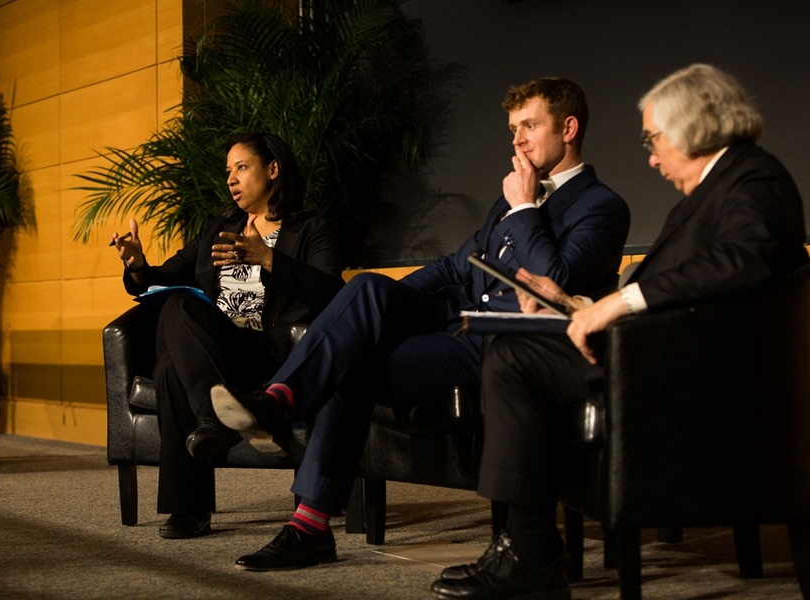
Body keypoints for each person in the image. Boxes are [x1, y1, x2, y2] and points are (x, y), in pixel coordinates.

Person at [211, 78, 631, 570]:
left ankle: (303, 502)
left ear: (569, 127)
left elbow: (553, 282)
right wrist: (375, 307)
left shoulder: (600, 207)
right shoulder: (515, 194)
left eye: (530, 126)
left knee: (357, 361)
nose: (516, 140)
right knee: (363, 302)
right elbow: (457, 267)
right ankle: (286, 422)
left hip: (506, 342)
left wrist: (522, 208)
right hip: (452, 318)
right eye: (513, 128)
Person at [430, 63, 808, 600]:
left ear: (694, 126)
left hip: (687, 374)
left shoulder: (754, 178)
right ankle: (525, 549)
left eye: (654, 139)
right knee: (515, 352)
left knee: (515, 359)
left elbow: (741, 261)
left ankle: (529, 553)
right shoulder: (722, 185)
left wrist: (619, 304)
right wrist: (578, 303)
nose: (651, 157)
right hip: (660, 355)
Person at [111, 132, 344, 539]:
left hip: (269, 351)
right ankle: (210, 418)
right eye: (228, 172)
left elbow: (331, 292)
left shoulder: (310, 229)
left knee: (172, 365)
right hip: (215, 349)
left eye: (242, 168)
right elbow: (162, 277)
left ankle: (189, 505)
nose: (232, 180)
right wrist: (137, 265)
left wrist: (267, 257)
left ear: (273, 169)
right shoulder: (218, 229)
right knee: (176, 314)